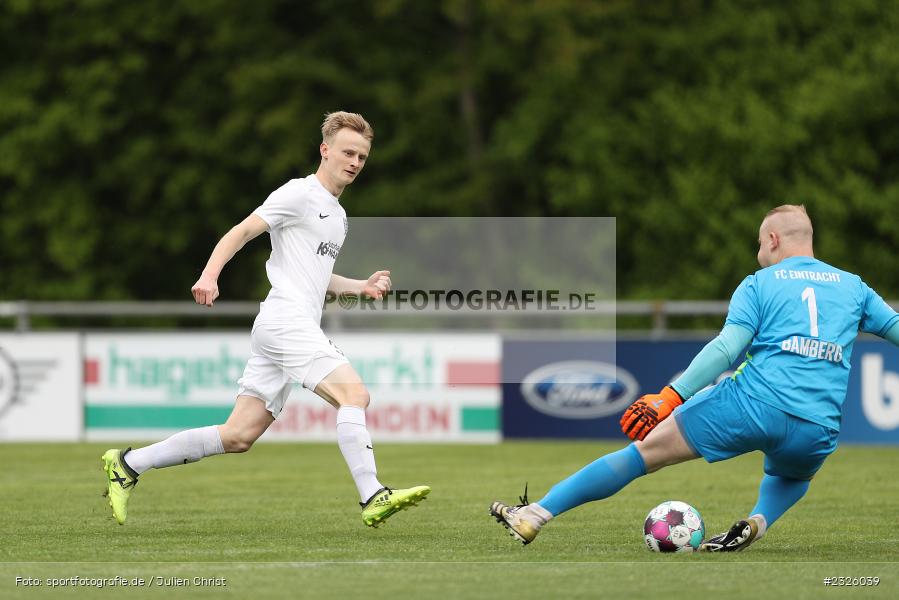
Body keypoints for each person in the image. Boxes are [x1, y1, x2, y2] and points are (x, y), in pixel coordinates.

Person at [490, 204, 899, 550]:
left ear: (773, 240)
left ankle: (534, 515)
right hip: (817, 425)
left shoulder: (760, 283)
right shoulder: (854, 287)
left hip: (753, 404)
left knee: (642, 455)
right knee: (792, 474)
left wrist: (670, 397)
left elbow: (725, 349)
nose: (759, 250)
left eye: (759, 242)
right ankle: (758, 522)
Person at [102, 111, 430, 527]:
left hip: (282, 325)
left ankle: (128, 464)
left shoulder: (338, 215)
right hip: (286, 320)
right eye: (347, 152)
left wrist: (359, 287)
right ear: (325, 151)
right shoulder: (299, 193)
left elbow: (314, 275)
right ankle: (372, 494)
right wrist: (209, 274)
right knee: (355, 396)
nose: (354, 162)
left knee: (238, 435)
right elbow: (241, 231)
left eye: (362, 157)